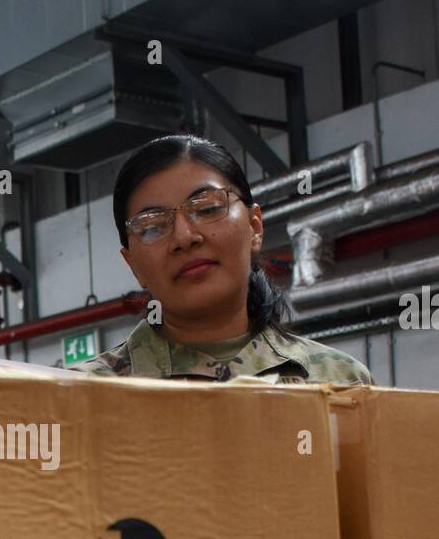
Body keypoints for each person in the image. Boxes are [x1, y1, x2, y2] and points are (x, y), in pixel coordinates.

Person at [81, 135, 373, 384]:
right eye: (153, 226)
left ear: (254, 227)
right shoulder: (83, 396)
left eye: (207, 209)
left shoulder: (339, 380)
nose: (184, 237)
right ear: (133, 264)